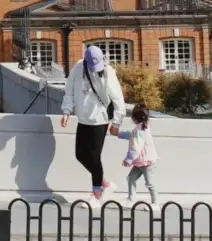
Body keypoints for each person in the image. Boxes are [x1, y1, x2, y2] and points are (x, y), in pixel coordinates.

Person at [60, 45, 125, 205]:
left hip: (100, 121)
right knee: (80, 155)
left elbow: (118, 99)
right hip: (83, 119)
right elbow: (69, 91)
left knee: (95, 158)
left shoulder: (108, 72)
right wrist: (66, 112)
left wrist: (116, 122)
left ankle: (96, 194)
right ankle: (106, 183)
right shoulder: (78, 68)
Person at [118, 103, 159, 209]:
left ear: (134, 118)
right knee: (131, 178)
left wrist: (128, 160)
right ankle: (131, 200)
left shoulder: (140, 130)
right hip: (140, 161)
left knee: (150, 183)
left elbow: (136, 147)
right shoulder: (141, 128)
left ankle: (155, 203)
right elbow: (131, 136)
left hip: (146, 162)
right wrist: (119, 134)